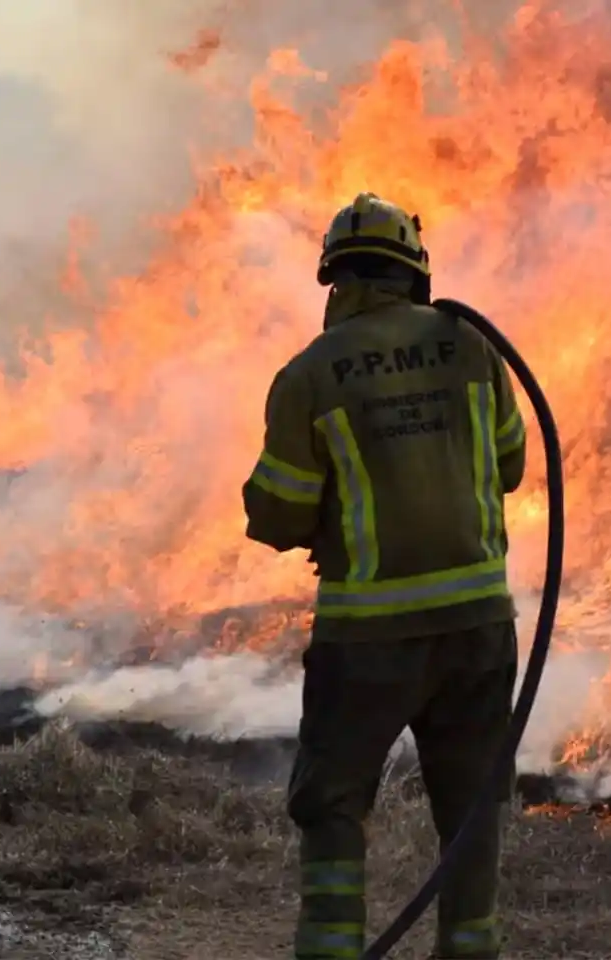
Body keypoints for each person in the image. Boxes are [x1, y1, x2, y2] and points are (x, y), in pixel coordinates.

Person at [242, 192, 528, 960]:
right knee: (470, 809)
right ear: (414, 273)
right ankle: (470, 949)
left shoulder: (311, 374)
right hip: (478, 628)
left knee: (333, 804)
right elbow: (510, 465)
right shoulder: (474, 349)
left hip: (367, 638)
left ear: (336, 279)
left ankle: (333, 951)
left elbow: (276, 513)